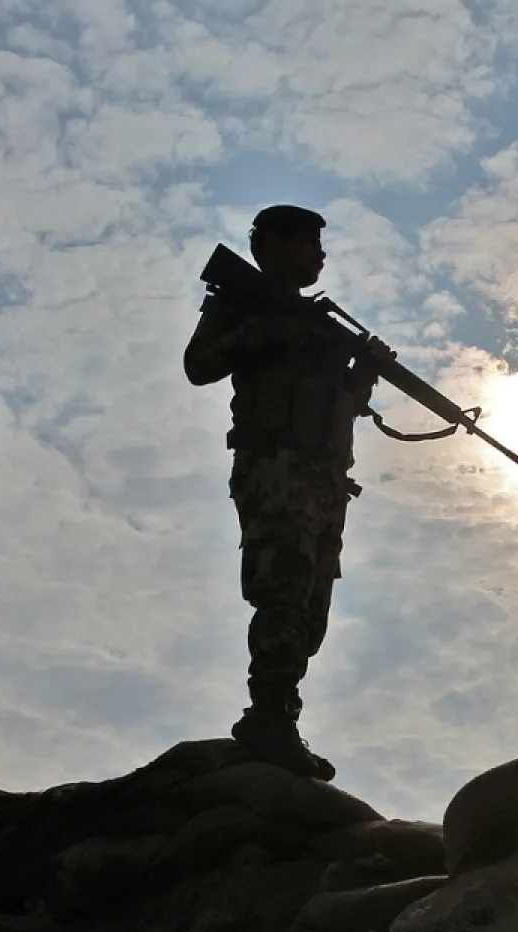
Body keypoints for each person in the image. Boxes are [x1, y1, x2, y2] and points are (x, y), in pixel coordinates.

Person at [184, 205, 396, 781]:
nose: (316, 254)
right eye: (304, 243)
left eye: (319, 245)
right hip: (274, 466)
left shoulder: (323, 327)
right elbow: (198, 365)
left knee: (310, 606)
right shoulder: (242, 301)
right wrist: (267, 331)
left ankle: (282, 714)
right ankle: (269, 716)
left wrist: (366, 371)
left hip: (326, 479)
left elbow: (342, 406)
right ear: (268, 246)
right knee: (282, 588)